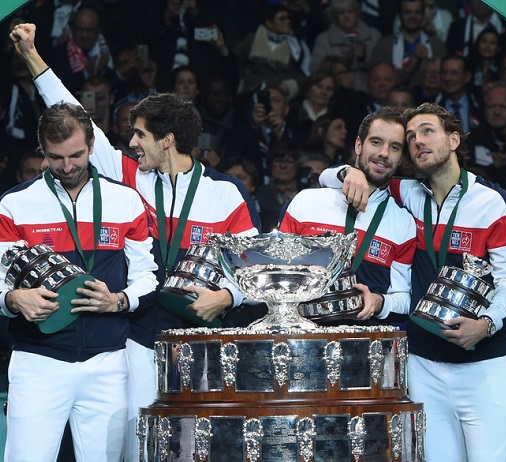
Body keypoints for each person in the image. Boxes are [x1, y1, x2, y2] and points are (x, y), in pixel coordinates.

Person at [11, 22, 261, 462]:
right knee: (135, 450)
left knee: (197, 449)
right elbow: (76, 121)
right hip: (137, 341)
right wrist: (32, 57)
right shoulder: (130, 179)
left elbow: (253, 270)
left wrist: (226, 294)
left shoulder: (225, 194)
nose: (131, 144)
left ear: (168, 140)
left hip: (201, 340)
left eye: (140, 135)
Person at [320, 102, 506, 462]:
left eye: (427, 131)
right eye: (412, 136)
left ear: (454, 139)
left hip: (484, 362)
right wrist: (344, 173)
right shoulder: (410, 195)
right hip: (424, 363)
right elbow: (334, 177)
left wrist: (486, 324)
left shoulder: (493, 202)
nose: (418, 141)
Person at [6, 26, 159, 462]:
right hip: (38, 361)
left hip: (107, 362)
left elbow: (148, 276)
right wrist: (14, 298)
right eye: (55, 158)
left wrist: (121, 301)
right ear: (41, 152)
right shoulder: (16, 205)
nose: (67, 166)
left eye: (76, 155)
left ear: (92, 144)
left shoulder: (125, 199)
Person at [279, 107, 416, 325]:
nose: (384, 153)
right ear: (359, 145)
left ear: (401, 158)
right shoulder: (307, 202)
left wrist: (379, 302)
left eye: (395, 147)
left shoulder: (404, 222)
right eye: (376, 142)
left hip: (365, 347)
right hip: (302, 338)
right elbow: (274, 270)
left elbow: (404, 299)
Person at [370, 0, 446, 87]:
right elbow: (375, 82)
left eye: (417, 12)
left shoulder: (437, 45)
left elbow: (444, 79)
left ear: (423, 16)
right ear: (399, 15)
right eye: (407, 12)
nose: (413, 17)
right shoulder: (383, 45)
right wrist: (408, 68)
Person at [310, 0, 380, 92]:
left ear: (357, 13)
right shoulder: (323, 40)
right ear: (334, 17)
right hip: (336, 92)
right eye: (341, 13)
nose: (346, 16)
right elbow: (316, 71)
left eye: (350, 12)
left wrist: (363, 59)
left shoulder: (374, 35)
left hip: (369, 90)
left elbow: (382, 68)